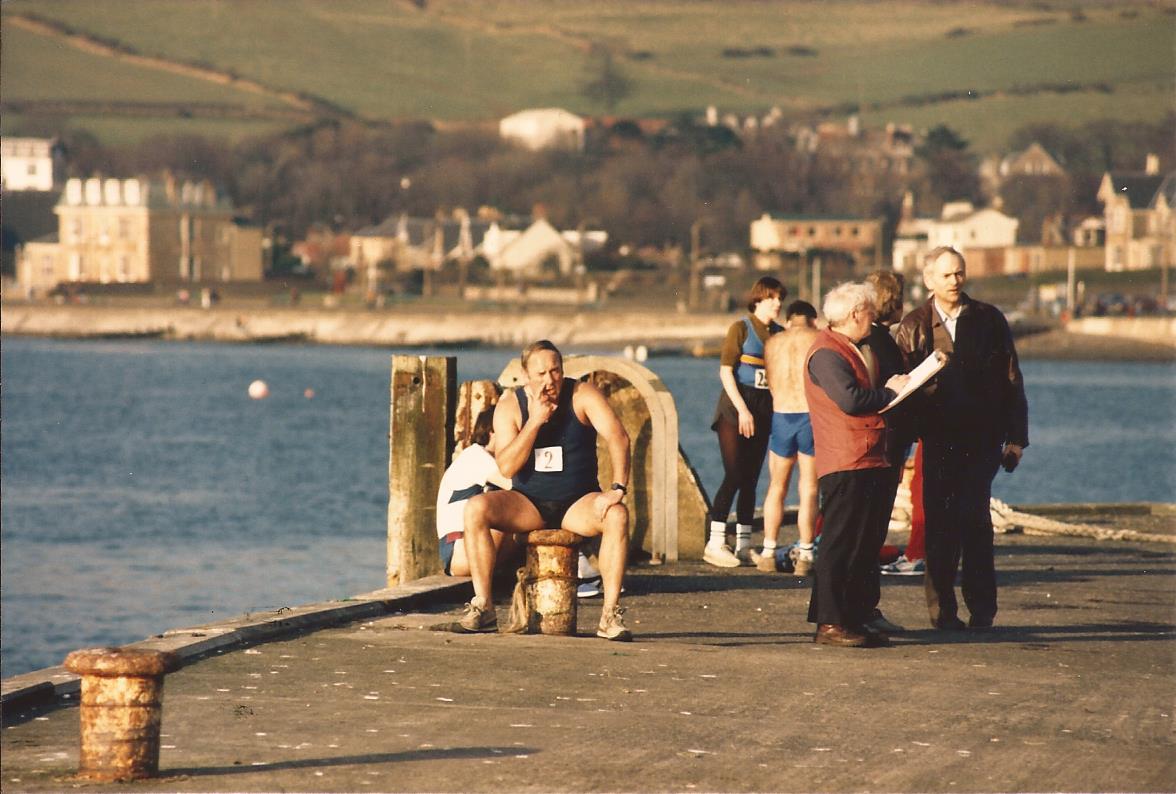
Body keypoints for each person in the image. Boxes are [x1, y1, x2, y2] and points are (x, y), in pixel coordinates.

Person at [460, 340, 633, 640]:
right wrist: (536, 421)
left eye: (555, 371)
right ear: (526, 375)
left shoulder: (581, 394)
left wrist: (617, 487)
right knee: (475, 508)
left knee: (617, 515)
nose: (550, 380)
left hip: (577, 503)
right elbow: (507, 468)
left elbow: (618, 437)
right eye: (541, 374)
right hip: (529, 504)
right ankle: (483, 606)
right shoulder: (510, 406)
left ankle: (609, 615)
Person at [894, 246, 1029, 630]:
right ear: (929, 280)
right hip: (936, 439)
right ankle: (942, 613)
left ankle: (982, 611)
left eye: (960, 273)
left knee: (976, 523)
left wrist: (1016, 437)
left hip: (982, 438)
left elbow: (1011, 379)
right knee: (939, 527)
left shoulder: (988, 319)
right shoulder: (912, 326)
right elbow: (901, 390)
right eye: (947, 274)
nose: (955, 280)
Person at [804, 282, 909, 647]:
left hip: (861, 456)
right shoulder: (827, 353)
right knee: (840, 542)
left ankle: (845, 617)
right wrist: (891, 393)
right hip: (846, 457)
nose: (873, 317)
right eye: (868, 311)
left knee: (857, 542)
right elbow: (849, 400)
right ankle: (830, 624)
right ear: (854, 315)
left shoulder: (844, 348)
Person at [705, 276, 785, 567]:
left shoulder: (779, 333)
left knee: (751, 479)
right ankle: (714, 542)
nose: (778, 303)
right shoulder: (740, 328)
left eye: (780, 299)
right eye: (773, 298)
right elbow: (726, 372)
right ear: (759, 299)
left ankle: (743, 544)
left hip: (764, 409)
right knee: (735, 473)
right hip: (735, 408)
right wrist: (743, 411)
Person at [858, 270, 914, 633]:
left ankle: (865, 607)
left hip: (885, 443)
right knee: (870, 528)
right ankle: (866, 608)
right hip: (885, 444)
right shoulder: (879, 341)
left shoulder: (875, 339)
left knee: (871, 529)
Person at [751, 300, 819, 576]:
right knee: (809, 489)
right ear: (813, 320)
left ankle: (768, 552)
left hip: (781, 416)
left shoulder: (773, 342)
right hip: (809, 416)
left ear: (789, 320)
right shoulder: (819, 338)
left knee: (776, 487)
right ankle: (805, 554)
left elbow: (769, 378)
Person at [435, 408, 517, 577]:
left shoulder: (486, 458)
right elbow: (513, 486)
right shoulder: (476, 457)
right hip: (458, 551)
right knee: (508, 513)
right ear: (492, 432)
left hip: (468, 549)